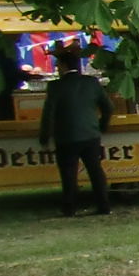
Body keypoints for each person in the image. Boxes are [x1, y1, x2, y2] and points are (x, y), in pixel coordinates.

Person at [38, 41, 113, 217]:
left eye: (58, 65)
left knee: (69, 174)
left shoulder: (55, 86)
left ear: (64, 66)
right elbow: (108, 107)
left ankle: (69, 208)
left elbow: (49, 113)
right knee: (95, 171)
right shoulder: (91, 82)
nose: (57, 69)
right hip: (91, 134)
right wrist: (102, 125)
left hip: (66, 136)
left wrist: (44, 136)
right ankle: (104, 205)